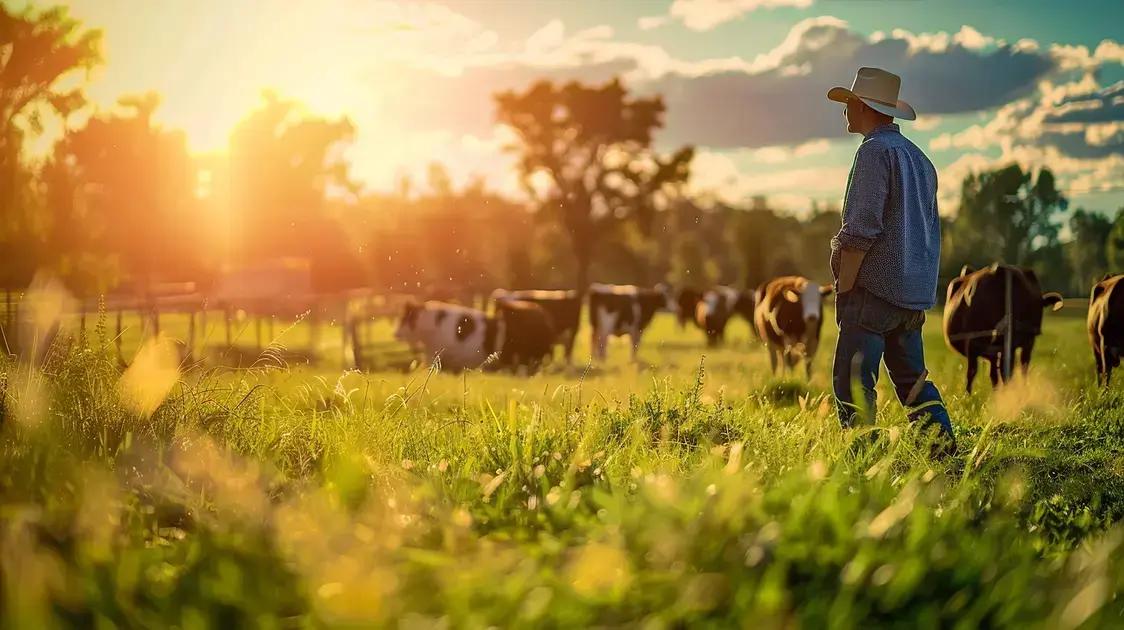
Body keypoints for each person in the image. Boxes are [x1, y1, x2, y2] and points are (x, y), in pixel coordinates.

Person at [826, 67, 955, 451]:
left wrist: (844, 288)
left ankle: (864, 459)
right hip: (911, 296)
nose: (845, 110)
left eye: (849, 102)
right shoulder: (920, 159)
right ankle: (944, 453)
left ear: (862, 107)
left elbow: (860, 231)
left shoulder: (873, 153)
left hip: (872, 292)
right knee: (913, 381)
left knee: (852, 380)